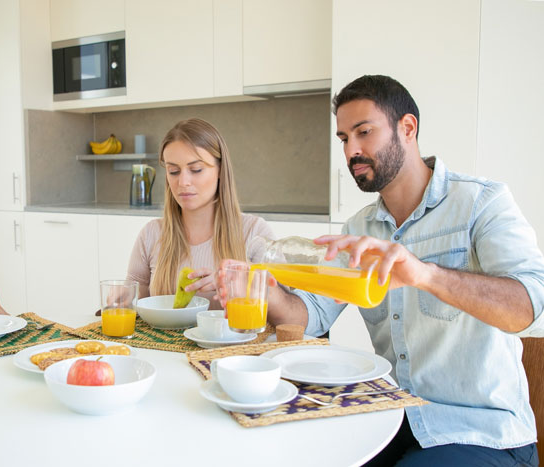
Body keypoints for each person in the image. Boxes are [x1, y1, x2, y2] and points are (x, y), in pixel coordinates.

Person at [219, 75, 543, 465]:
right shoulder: (358, 228)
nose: (352, 149)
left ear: (407, 128)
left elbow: (526, 306)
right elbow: (312, 317)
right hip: (390, 416)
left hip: (481, 432)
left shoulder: (480, 202)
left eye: (364, 132)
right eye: (343, 138)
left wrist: (425, 275)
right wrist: (266, 291)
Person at [127, 118, 274, 309]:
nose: (183, 182)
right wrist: (122, 300)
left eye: (196, 169)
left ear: (220, 169)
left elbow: (277, 309)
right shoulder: (151, 233)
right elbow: (135, 306)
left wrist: (240, 284)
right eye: (173, 171)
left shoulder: (255, 232)